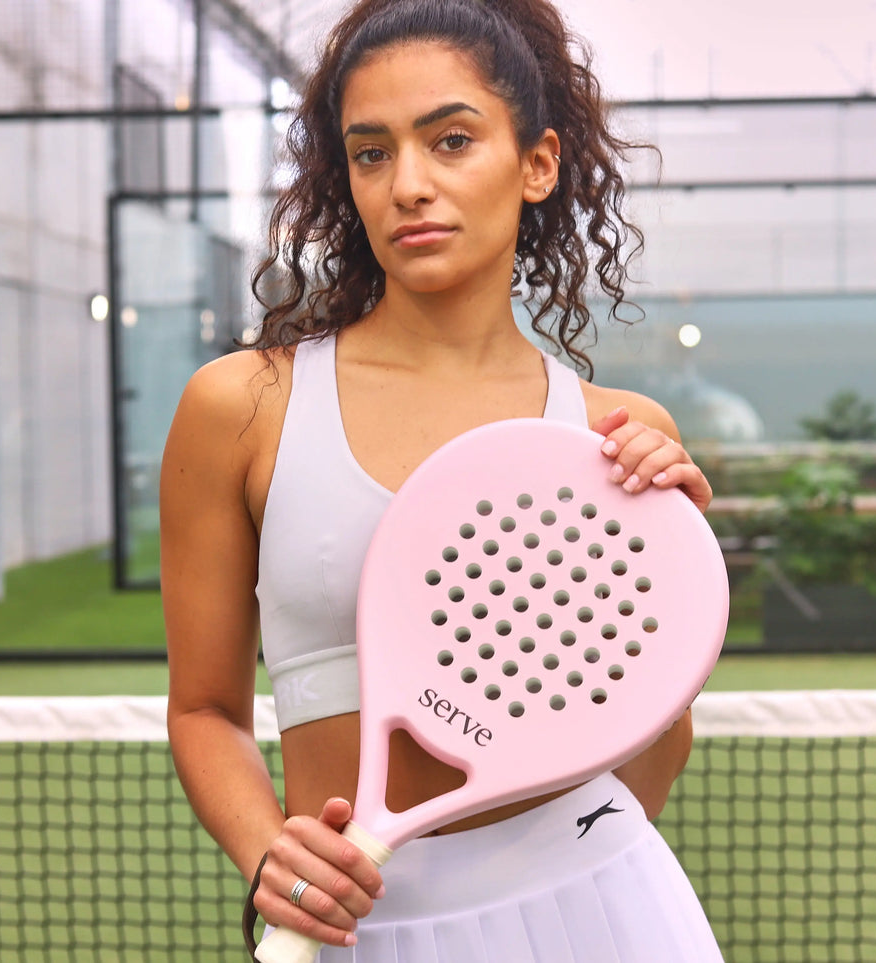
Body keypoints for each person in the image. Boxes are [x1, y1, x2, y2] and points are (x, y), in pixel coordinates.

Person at [160, 0, 724, 960]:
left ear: (536, 164)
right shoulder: (243, 406)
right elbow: (204, 708)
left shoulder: (614, 438)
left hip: (601, 906)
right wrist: (271, 858)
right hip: (350, 929)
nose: (408, 184)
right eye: (370, 153)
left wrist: (670, 563)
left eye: (451, 140)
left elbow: (651, 744)